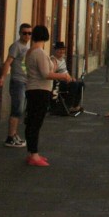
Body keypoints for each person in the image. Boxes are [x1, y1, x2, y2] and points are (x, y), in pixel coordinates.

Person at [23, 25, 71, 166]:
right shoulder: (40, 53)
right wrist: (63, 76)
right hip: (39, 90)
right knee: (36, 122)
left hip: (32, 89)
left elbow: (41, 69)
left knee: (32, 121)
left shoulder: (31, 52)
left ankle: (32, 153)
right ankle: (34, 154)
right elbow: (45, 74)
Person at [0, 23, 31, 147]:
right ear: (20, 33)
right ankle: (10, 137)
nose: (27, 35)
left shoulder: (27, 47)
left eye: (29, 33)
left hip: (25, 81)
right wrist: (3, 77)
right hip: (17, 81)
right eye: (24, 33)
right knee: (17, 109)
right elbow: (8, 62)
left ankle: (14, 134)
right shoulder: (16, 46)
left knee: (20, 109)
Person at [51, 41, 84, 113]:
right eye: (59, 49)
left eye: (63, 49)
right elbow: (53, 74)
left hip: (66, 80)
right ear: (55, 50)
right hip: (58, 82)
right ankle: (68, 106)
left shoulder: (62, 59)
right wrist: (65, 78)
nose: (61, 51)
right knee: (74, 85)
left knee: (80, 84)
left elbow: (66, 72)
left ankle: (75, 105)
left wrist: (71, 78)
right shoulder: (53, 60)